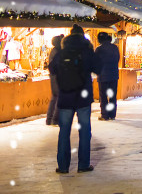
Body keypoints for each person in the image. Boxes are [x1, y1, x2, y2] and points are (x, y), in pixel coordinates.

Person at [49, 25, 100, 174]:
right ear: (82, 36)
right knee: (84, 131)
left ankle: (63, 166)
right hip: (83, 98)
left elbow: (52, 69)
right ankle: (83, 165)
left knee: (64, 132)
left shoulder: (62, 52)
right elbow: (98, 68)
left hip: (65, 96)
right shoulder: (87, 51)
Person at [95, 32, 121, 119]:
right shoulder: (115, 48)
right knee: (112, 96)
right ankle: (112, 115)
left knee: (103, 96)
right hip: (114, 75)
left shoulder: (99, 49)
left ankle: (105, 115)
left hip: (103, 76)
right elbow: (118, 59)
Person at [46, 35, 63, 126]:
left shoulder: (54, 51)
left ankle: (49, 119)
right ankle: (55, 119)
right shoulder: (57, 52)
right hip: (57, 77)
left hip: (54, 76)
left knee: (54, 97)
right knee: (59, 98)